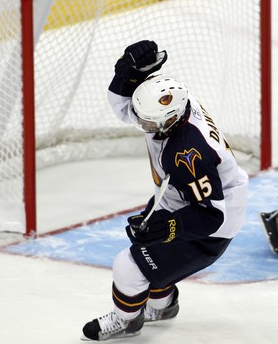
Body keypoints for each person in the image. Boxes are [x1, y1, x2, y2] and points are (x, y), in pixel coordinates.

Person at [82, 40, 248, 341]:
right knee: (149, 248)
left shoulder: (187, 153)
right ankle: (163, 306)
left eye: (146, 121)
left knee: (129, 265)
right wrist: (127, 75)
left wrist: (171, 226)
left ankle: (126, 321)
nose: (139, 122)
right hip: (184, 197)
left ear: (169, 121)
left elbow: (212, 217)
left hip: (214, 225)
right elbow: (125, 107)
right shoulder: (174, 108)